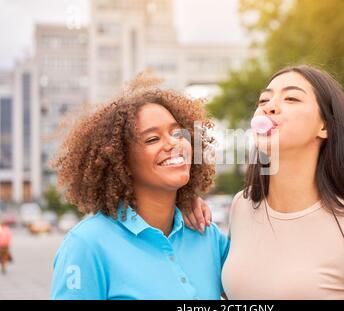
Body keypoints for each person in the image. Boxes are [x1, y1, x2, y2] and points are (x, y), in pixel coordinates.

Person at [188, 65, 344, 299]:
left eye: (291, 98)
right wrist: (182, 203)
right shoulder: (242, 206)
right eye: (263, 100)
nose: (269, 107)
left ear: (325, 126)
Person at [50, 73, 228, 299]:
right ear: (121, 161)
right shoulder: (87, 244)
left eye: (177, 132)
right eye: (153, 139)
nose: (174, 143)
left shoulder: (206, 233)